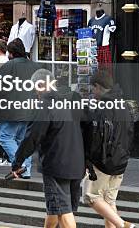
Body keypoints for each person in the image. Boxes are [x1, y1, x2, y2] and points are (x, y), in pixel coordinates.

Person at [12, 69, 85, 228]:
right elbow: (87, 129)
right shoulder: (72, 100)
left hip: (56, 164)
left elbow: (32, 137)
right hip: (77, 162)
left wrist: (17, 162)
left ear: (41, 85)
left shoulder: (45, 105)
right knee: (55, 207)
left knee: (64, 212)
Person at [83, 71, 136, 228]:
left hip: (104, 161)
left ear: (98, 87)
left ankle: (122, 224)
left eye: (92, 89)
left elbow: (97, 137)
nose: (92, 93)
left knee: (90, 196)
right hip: (121, 160)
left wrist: (89, 159)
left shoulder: (103, 107)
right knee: (108, 202)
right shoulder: (124, 105)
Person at [0, 38, 41, 178]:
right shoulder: (35, 66)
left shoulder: (8, 66)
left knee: (4, 137)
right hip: (30, 108)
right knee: (22, 140)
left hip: (11, 109)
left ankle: (22, 166)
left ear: (12, 53)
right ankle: (26, 170)